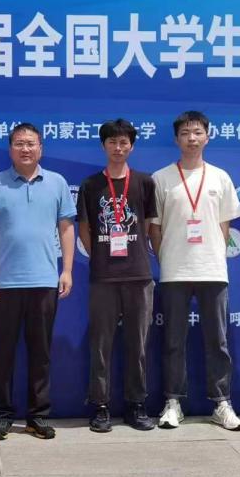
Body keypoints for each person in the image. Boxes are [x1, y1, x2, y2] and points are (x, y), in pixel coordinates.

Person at [0, 123, 76, 441]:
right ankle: (1, 416)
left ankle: (37, 416)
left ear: (41, 148)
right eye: (19, 143)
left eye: (31, 143)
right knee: (2, 353)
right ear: (10, 149)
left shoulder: (57, 183)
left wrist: (67, 270)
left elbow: (66, 229)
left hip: (44, 280)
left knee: (40, 353)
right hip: (4, 282)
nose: (25, 149)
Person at [148, 110, 240, 432]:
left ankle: (222, 403)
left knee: (217, 341)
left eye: (198, 132)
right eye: (186, 133)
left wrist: (211, 253)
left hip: (212, 270)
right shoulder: (161, 178)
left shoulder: (220, 177)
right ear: (176, 139)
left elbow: (224, 226)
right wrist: (167, 257)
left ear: (207, 136)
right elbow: (155, 228)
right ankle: (173, 402)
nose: (192, 138)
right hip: (174, 271)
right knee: (173, 340)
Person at [77, 119, 157, 432]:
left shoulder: (145, 182)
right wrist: (99, 254)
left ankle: (136, 405)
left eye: (124, 142)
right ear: (103, 145)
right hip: (103, 276)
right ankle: (100, 406)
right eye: (112, 142)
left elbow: (147, 225)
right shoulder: (90, 185)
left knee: (138, 344)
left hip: (138, 274)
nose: (118, 148)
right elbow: (85, 229)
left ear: (132, 146)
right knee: (101, 345)